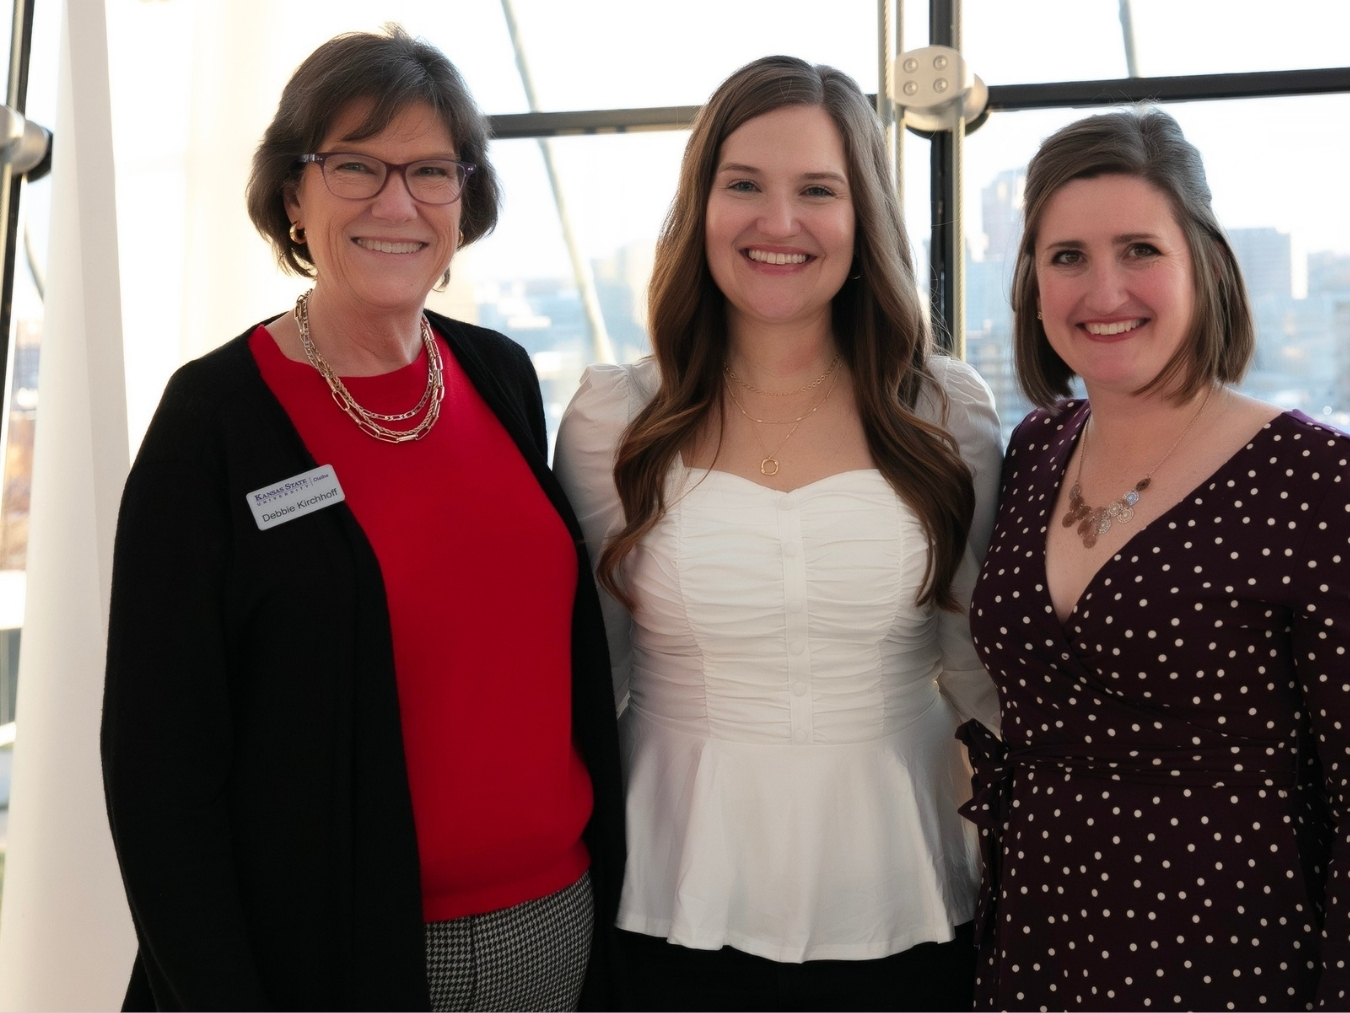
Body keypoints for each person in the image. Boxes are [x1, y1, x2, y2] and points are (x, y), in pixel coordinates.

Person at [101, 27, 624, 1012]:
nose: (397, 202)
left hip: (552, 929)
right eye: (355, 165)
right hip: (324, 953)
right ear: (292, 193)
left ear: (464, 200)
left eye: (431, 170)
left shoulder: (501, 376)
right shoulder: (212, 423)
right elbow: (159, 780)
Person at [554, 55, 1001, 1012]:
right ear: (699, 204)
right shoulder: (612, 421)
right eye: (744, 185)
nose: (779, 223)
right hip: (676, 882)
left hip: (908, 877)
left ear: (863, 216)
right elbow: (592, 672)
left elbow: (977, 663)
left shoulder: (944, 410)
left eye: (818, 191)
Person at [963, 107, 1350, 1010]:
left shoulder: (1314, 479)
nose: (1104, 292)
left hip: (1233, 964)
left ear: (1204, 264)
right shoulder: (1034, 449)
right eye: (1068, 257)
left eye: (1139, 249)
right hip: (1035, 949)